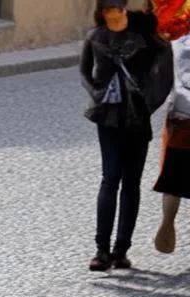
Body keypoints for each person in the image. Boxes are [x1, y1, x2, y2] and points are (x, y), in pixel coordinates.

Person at [81, 0, 173, 271]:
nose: (115, 13)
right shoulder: (95, 37)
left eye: (118, 8)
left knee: (131, 183)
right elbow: (84, 72)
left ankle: (121, 250)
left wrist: (151, 101)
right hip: (107, 118)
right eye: (109, 9)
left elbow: (166, 66)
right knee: (110, 178)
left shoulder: (144, 37)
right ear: (102, 13)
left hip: (136, 119)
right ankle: (101, 250)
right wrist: (96, 94)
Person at [154, 34, 190, 253]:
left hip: (180, 120)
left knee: (173, 180)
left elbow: (161, 82)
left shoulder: (176, 46)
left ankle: (168, 220)